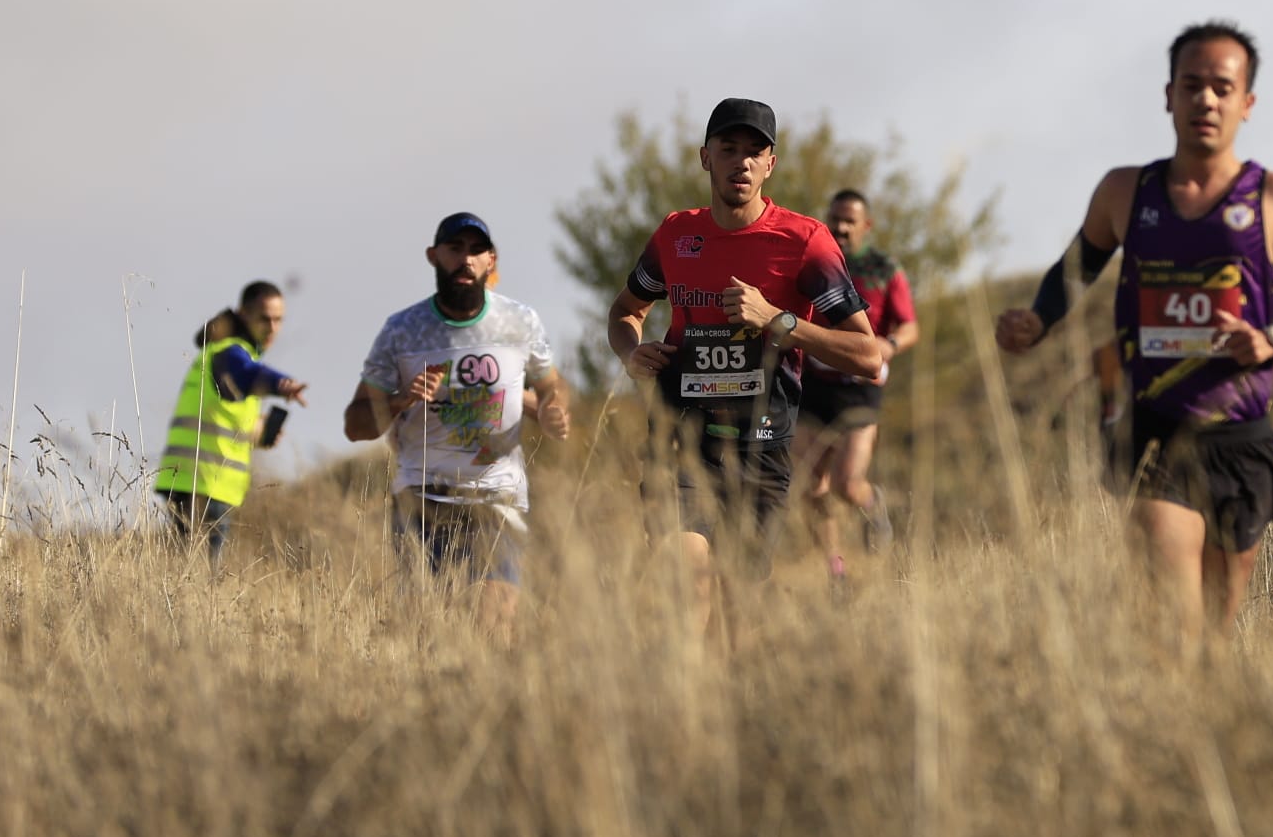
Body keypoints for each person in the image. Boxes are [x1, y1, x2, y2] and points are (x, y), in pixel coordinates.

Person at [996, 23, 1273, 639]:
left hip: (1242, 441)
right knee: (1173, 623)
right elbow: (1073, 272)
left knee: (1214, 636)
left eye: (1222, 87)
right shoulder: (1125, 192)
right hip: (1153, 434)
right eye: (1192, 85)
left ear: (1247, 102)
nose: (1206, 100)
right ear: (1169, 95)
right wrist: (1038, 319)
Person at [608, 98, 885, 638]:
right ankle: (684, 707)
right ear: (704, 158)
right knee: (685, 574)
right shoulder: (675, 235)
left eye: (754, 152)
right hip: (681, 434)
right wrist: (629, 352)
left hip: (762, 442)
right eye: (728, 150)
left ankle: (728, 701)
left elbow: (868, 356)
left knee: (738, 608)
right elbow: (626, 311)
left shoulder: (804, 241)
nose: (741, 162)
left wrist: (777, 321)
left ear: (770, 165)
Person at [343, 213, 570, 632]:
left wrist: (551, 409)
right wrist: (400, 399)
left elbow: (551, 386)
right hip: (423, 500)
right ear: (434, 256)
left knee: (495, 625)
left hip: (496, 497)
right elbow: (355, 424)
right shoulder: (402, 331)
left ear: (491, 260)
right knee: (428, 633)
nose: (465, 259)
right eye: (454, 249)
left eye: (476, 250)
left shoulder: (519, 321)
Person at [795, 189, 919, 588]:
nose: (841, 227)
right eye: (835, 219)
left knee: (847, 483)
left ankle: (872, 504)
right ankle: (837, 572)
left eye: (850, 220)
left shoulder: (884, 269)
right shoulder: (812, 264)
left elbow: (909, 325)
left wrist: (890, 345)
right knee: (812, 485)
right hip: (813, 386)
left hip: (860, 388)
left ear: (867, 226)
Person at [154, 280, 308, 562]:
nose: (272, 328)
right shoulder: (229, 352)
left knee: (186, 574)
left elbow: (224, 415)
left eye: (278, 320)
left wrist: (259, 432)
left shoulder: (224, 354)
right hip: (202, 485)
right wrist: (281, 384)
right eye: (265, 318)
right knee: (200, 583)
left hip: (200, 483)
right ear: (243, 314)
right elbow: (248, 374)